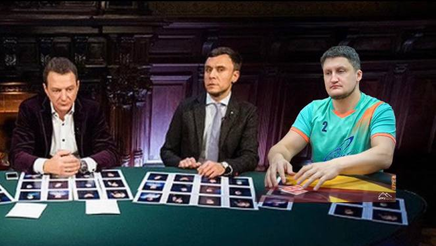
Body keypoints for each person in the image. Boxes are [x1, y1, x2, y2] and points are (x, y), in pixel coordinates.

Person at [265, 46, 396, 190]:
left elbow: (384, 155)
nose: (333, 79)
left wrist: (336, 166)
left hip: (365, 189)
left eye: (341, 71)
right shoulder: (313, 110)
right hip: (322, 188)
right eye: (328, 73)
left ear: (358, 75)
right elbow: (283, 147)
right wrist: (278, 158)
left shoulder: (379, 110)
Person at [160, 47, 259, 178]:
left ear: (235, 76)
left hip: (225, 178)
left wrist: (223, 166)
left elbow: (250, 157)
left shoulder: (247, 112)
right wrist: (180, 162)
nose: (211, 75)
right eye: (208, 70)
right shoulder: (186, 107)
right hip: (191, 176)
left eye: (220, 69)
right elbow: (167, 151)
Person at [10, 57, 119, 176]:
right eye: (56, 90)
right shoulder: (30, 109)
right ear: (46, 89)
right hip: (44, 174)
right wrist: (46, 165)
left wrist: (81, 164)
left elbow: (110, 152)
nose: (63, 97)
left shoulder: (92, 109)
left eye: (69, 89)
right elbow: (16, 155)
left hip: (81, 173)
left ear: (77, 86)